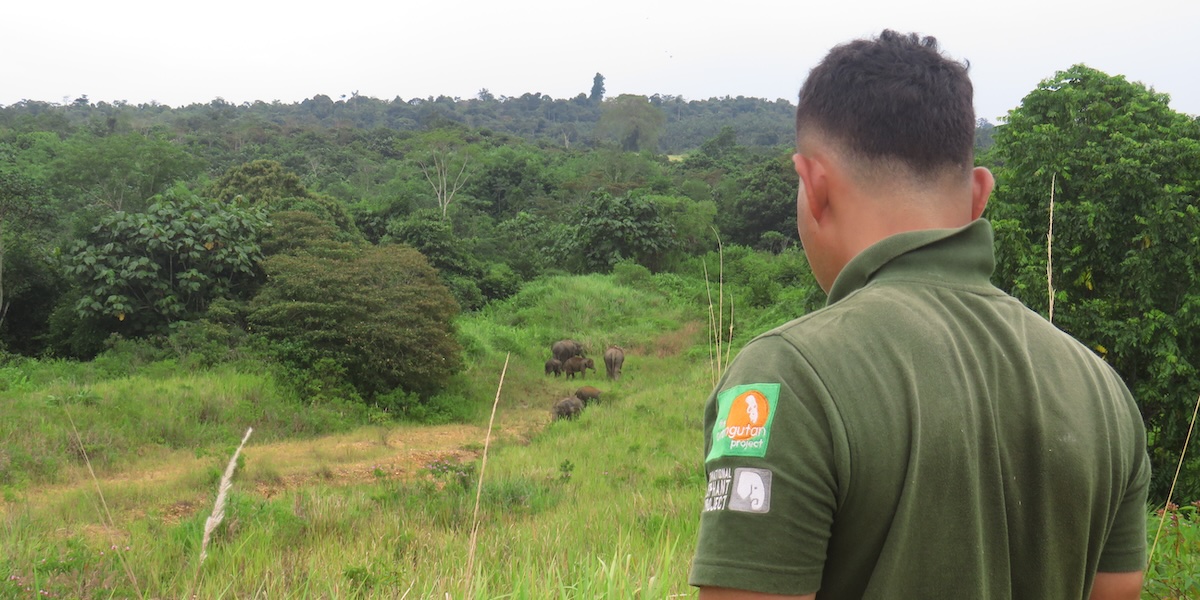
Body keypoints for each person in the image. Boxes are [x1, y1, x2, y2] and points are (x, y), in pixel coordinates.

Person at [689, 30, 1150, 599]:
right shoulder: (1104, 392)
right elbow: (1118, 588)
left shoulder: (788, 377)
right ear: (979, 195)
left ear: (813, 187)